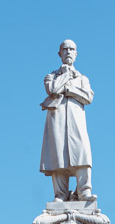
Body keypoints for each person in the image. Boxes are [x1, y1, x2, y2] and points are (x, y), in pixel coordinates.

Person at [40, 39, 94, 202]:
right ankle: (60, 193)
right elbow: (53, 89)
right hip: (57, 119)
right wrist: (65, 75)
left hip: (76, 118)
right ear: (60, 54)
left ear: (76, 54)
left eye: (72, 49)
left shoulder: (82, 78)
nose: (68, 52)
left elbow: (88, 96)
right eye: (65, 49)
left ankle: (84, 190)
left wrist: (69, 89)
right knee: (57, 154)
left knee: (82, 151)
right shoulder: (51, 76)